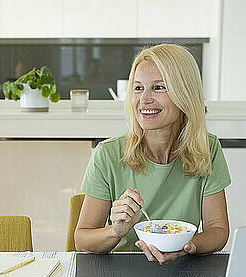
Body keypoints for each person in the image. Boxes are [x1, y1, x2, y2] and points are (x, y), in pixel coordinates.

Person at [74, 44, 231, 265]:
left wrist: (187, 247)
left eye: (158, 87)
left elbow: (218, 230)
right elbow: (82, 240)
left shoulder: (207, 148)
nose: (144, 99)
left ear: (184, 93)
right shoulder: (108, 154)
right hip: (120, 274)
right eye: (138, 88)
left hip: (183, 270)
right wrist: (115, 231)